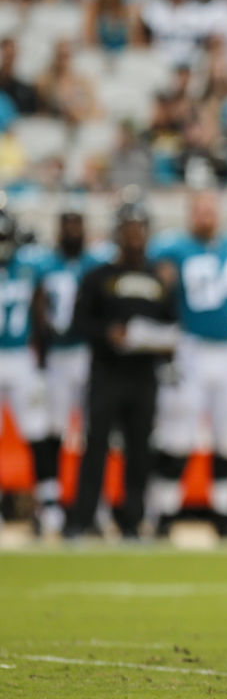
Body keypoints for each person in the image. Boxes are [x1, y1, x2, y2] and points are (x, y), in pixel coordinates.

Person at [147, 190, 227, 539]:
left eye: (210, 210)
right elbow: (161, 294)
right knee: (178, 435)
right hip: (191, 347)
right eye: (199, 211)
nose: (206, 216)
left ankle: (224, 514)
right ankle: (164, 514)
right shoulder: (174, 249)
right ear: (189, 214)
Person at [63, 204, 178, 540]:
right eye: (129, 228)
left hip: (143, 374)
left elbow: (172, 324)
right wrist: (108, 333)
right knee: (96, 446)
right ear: (118, 232)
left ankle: (132, 521)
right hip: (107, 372)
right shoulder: (99, 276)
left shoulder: (159, 277)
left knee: (139, 450)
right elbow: (79, 322)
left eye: (139, 228)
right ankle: (82, 520)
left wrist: (162, 343)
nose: (134, 234)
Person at [31, 210, 109, 535]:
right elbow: (36, 307)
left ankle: (94, 501)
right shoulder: (44, 264)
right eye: (67, 225)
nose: (72, 231)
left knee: (94, 430)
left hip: (88, 353)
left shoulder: (96, 263)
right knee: (53, 429)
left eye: (77, 224)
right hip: (58, 355)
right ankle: (50, 501)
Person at [0, 208, 58, 535]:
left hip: (22, 356)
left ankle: (48, 503)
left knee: (37, 431)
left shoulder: (30, 264)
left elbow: (42, 311)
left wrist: (42, 355)